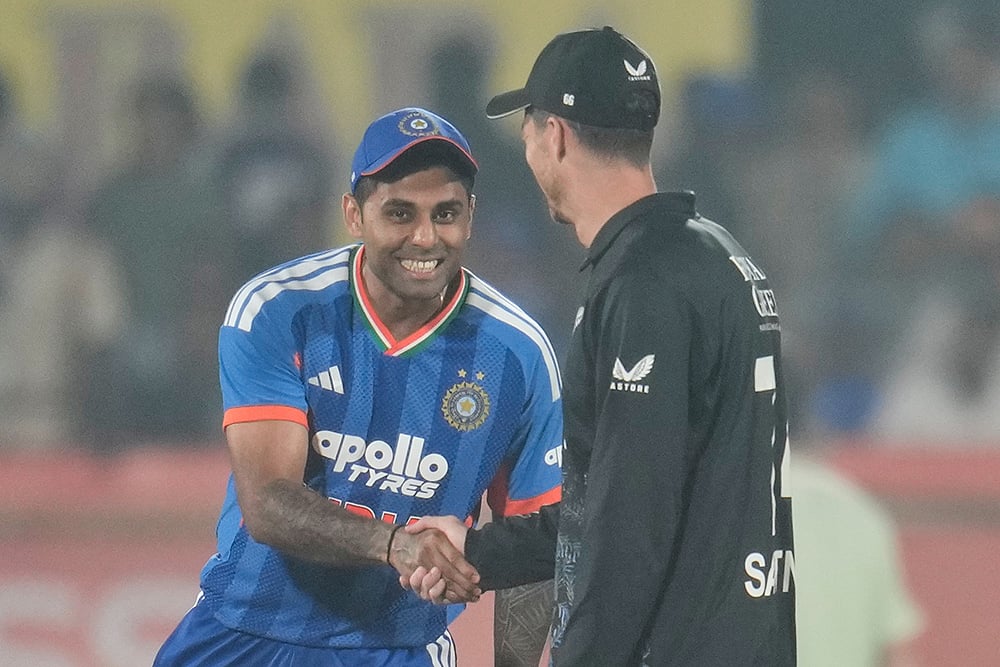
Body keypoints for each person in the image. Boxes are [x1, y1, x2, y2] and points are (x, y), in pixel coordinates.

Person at [408, 27, 796, 665]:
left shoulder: (643, 285)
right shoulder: (718, 258)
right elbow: (626, 495)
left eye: (529, 129)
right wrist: (475, 550)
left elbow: (628, 526)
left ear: (555, 134)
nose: (529, 148)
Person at [154, 107, 563, 666]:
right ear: (354, 213)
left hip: (396, 649)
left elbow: (532, 540)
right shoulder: (279, 309)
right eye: (399, 213)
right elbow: (267, 503)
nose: (425, 237)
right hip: (242, 635)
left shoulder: (519, 354)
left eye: (446, 213)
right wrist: (397, 547)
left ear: (471, 217)